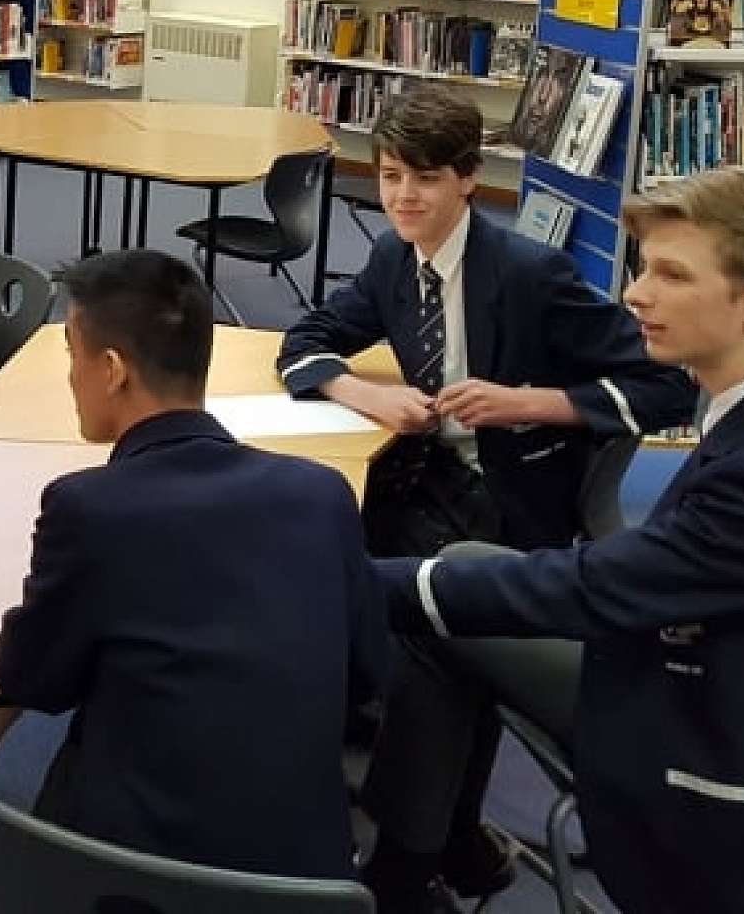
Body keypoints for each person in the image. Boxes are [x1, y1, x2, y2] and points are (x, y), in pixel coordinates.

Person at [375, 168, 744, 914]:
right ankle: (430, 855)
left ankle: (403, 876)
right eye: (644, 268)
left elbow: (594, 588)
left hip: (733, 759)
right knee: (456, 574)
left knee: (436, 601)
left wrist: (353, 578)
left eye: (671, 275)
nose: (635, 295)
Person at [277, 86, 694, 910]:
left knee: (434, 624)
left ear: (469, 178)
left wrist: (527, 401)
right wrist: (367, 395)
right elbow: (305, 342)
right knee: (311, 543)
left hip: (509, 493)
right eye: (391, 176)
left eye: (426, 178)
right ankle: (427, 825)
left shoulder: (531, 273)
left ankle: (414, 851)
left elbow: (668, 388)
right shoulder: (394, 260)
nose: (403, 196)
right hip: (421, 472)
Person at [0, 248, 385, 883]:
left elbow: (32, 680)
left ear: (113, 370)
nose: (71, 379)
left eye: (73, 358)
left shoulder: (89, 509)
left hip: (133, 875)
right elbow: (366, 671)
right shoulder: (324, 493)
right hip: (309, 877)